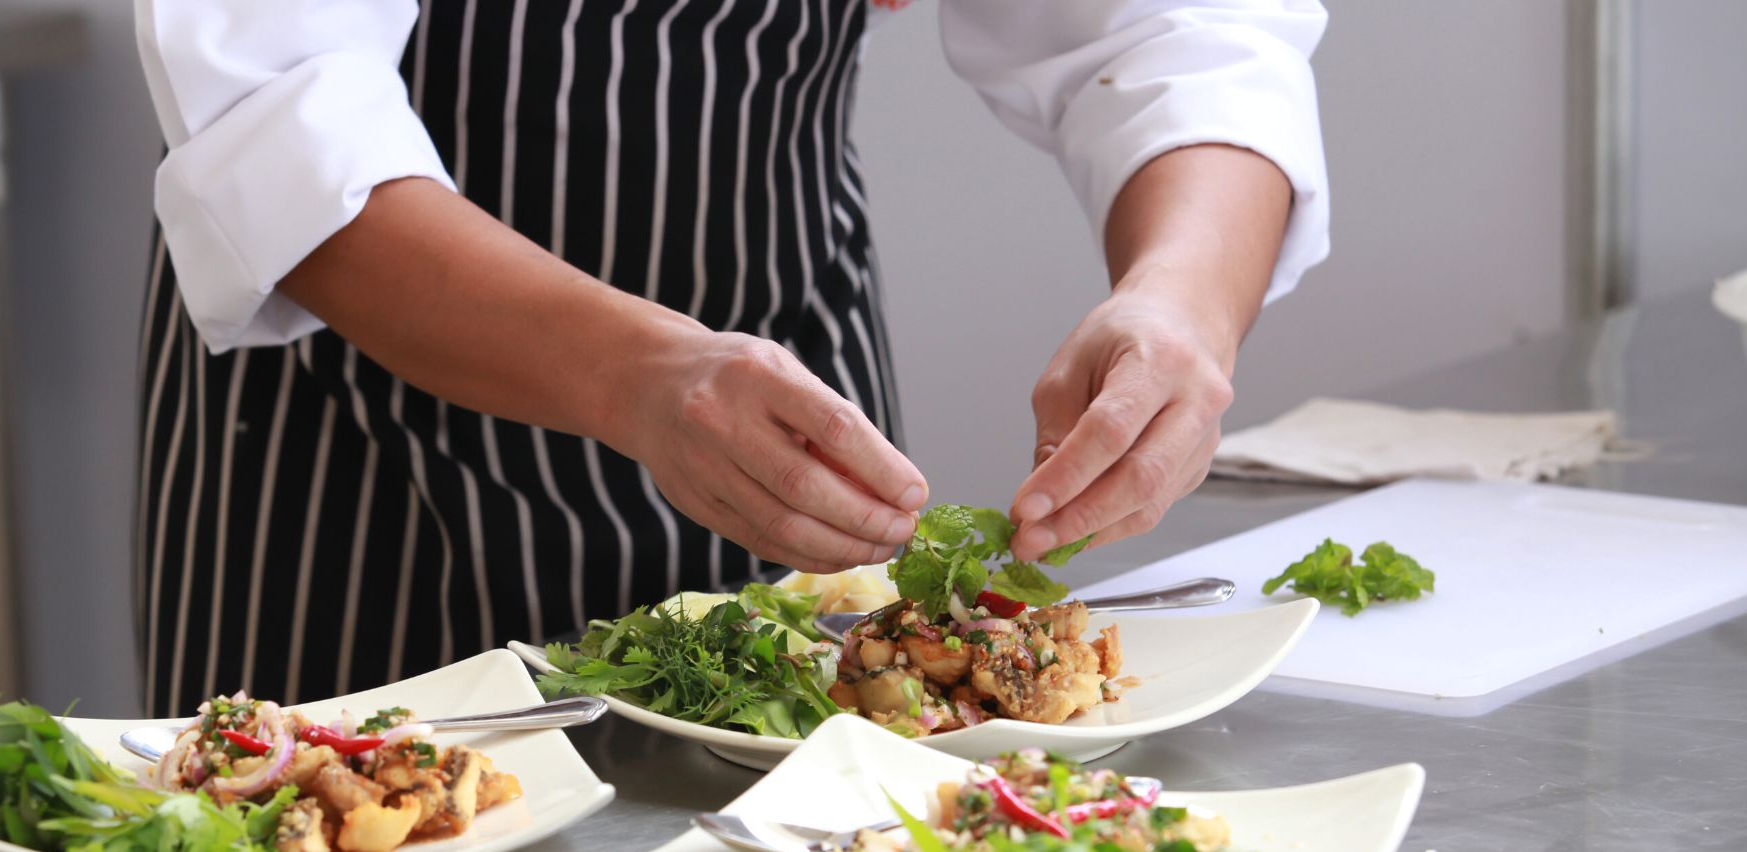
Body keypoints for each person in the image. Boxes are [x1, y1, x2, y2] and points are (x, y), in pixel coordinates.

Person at [132, 0, 1329, 715]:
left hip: (794, 382)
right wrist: (637, 378)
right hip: (368, 447)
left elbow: (1175, 28)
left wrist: (1182, 301)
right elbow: (276, 113)